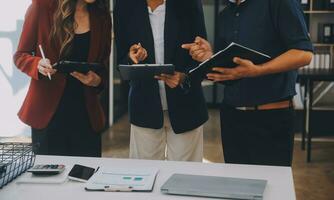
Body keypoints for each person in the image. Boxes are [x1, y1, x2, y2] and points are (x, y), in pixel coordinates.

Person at [183, 0, 313, 166]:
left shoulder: (279, 3)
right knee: (237, 187)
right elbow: (229, 69)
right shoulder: (226, 14)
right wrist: (209, 57)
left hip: (271, 118)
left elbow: (303, 53)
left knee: (271, 188)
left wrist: (259, 70)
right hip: (232, 117)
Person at [14, 0, 111, 157]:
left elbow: (104, 64)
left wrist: (98, 80)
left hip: (86, 115)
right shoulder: (41, 7)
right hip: (48, 115)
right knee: (49, 179)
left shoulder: (102, 15)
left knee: (86, 178)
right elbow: (20, 56)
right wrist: (37, 64)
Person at [114, 0, 208, 161]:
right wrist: (131, 57)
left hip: (186, 106)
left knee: (184, 181)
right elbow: (122, 61)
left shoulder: (190, 3)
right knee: (144, 178)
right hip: (144, 105)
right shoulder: (125, 5)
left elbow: (202, 56)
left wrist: (184, 77)